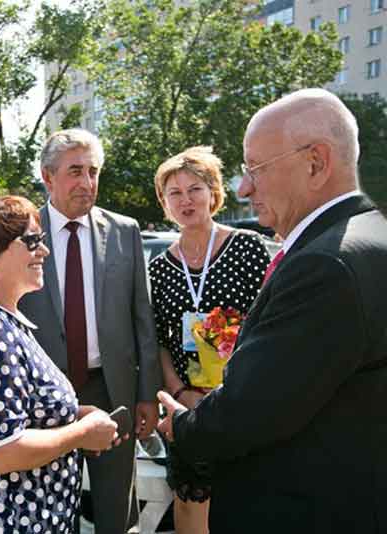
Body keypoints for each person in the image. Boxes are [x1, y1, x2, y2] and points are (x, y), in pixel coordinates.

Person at [157, 88, 387, 534]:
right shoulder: (367, 235)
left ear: (316, 163)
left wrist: (183, 426)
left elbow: (253, 409)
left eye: (256, 170)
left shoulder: (326, 263)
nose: (244, 188)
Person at [0, 195, 122, 533]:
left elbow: (22, 411)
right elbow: (1, 453)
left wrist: (76, 414)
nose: (44, 251)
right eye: (31, 242)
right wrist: (82, 433)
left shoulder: (0, 318)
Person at [18, 128, 162, 533]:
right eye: (75, 171)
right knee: (47, 506)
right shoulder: (20, 234)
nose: (86, 182)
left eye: (93, 171)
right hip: (42, 400)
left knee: (116, 510)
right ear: (48, 177)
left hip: (111, 393)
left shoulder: (125, 231)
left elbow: (142, 320)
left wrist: (146, 394)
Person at [148, 146, 270, 533]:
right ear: (164, 203)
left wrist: (234, 388)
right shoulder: (159, 268)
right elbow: (159, 341)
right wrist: (182, 394)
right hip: (191, 409)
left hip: (244, 399)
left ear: (213, 193)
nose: (186, 200)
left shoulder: (246, 248)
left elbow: (269, 323)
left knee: (247, 501)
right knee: (191, 503)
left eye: (194, 189)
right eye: (175, 193)